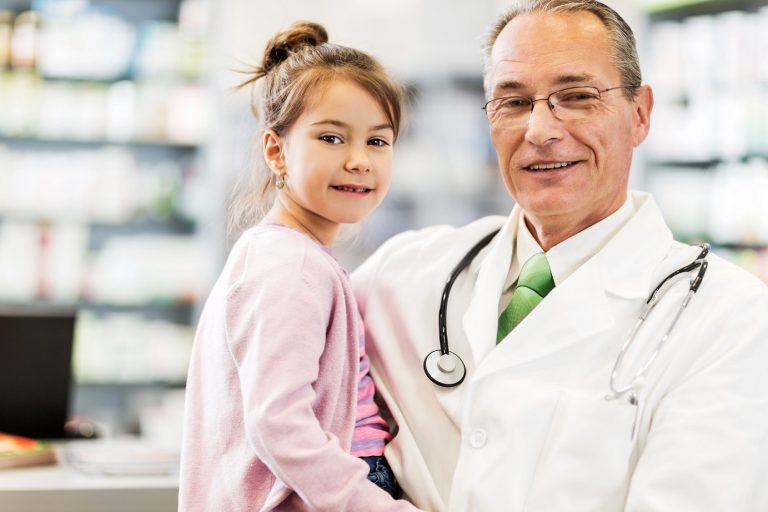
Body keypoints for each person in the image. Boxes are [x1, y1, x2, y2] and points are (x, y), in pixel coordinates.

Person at [352, 1, 768, 511]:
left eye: (576, 97)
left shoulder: (727, 317)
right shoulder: (403, 274)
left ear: (640, 115)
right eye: (514, 102)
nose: (540, 131)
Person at [179, 21, 421, 511]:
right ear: (276, 151)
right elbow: (279, 425)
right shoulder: (288, 266)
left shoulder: (294, 256)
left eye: (378, 141)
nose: (359, 160)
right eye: (332, 138)